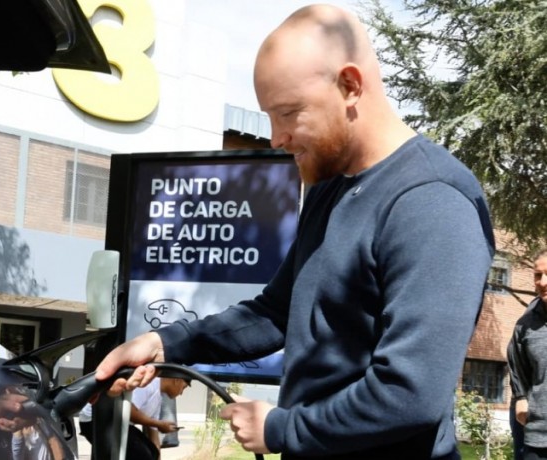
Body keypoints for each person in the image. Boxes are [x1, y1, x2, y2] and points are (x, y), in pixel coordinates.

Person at [95, 4, 495, 459]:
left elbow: (410, 393)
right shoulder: (332, 187)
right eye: (269, 115)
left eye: (288, 113)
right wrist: (167, 342)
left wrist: (283, 429)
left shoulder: (431, 201)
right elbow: (276, 312)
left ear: (350, 85)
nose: (275, 137)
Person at [78, 376, 189, 459]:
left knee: (152, 452)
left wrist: (157, 455)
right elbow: (130, 410)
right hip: (96, 419)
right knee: (141, 455)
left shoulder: (158, 398)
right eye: (183, 388)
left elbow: (153, 434)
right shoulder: (149, 384)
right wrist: (159, 424)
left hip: (118, 421)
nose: (181, 393)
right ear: (176, 380)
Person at [507, 250, 547, 460]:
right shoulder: (526, 323)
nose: (543, 282)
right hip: (537, 435)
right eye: (537, 275)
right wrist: (521, 397)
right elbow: (515, 361)